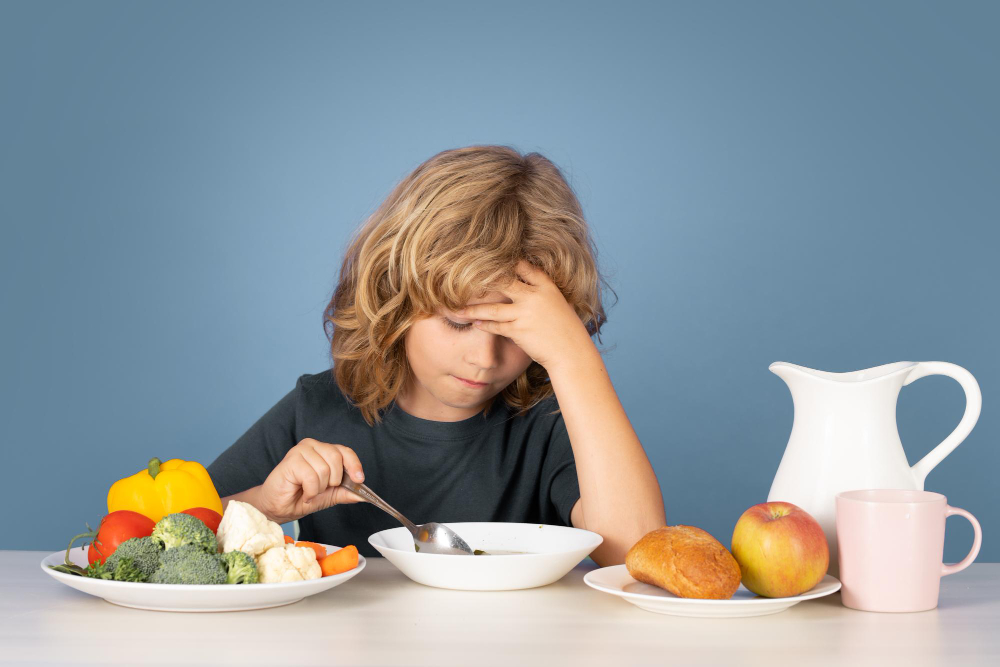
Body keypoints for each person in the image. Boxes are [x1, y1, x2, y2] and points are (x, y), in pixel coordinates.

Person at [208, 145, 665, 565]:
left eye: (517, 333)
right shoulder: (319, 407)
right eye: (459, 323)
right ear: (395, 301)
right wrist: (265, 505)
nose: (485, 358)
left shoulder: (552, 420)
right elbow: (176, 532)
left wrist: (572, 356)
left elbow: (635, 552)